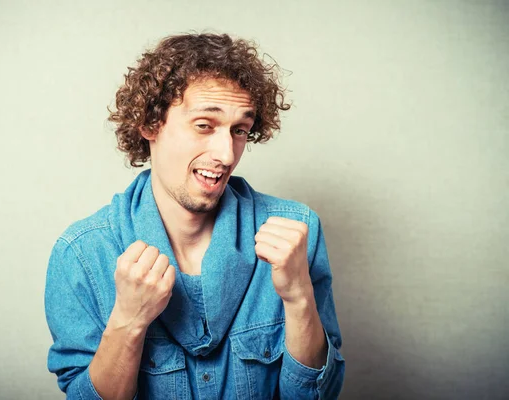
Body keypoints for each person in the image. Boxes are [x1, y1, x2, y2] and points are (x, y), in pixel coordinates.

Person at [45, 33, 345, 400]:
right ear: (149, 124)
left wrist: (299, 297)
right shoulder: (83, 254)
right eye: (204, 125)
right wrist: (127, 322)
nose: (226, 154)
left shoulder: (298, 232)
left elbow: (318, 396)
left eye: (239, 130)